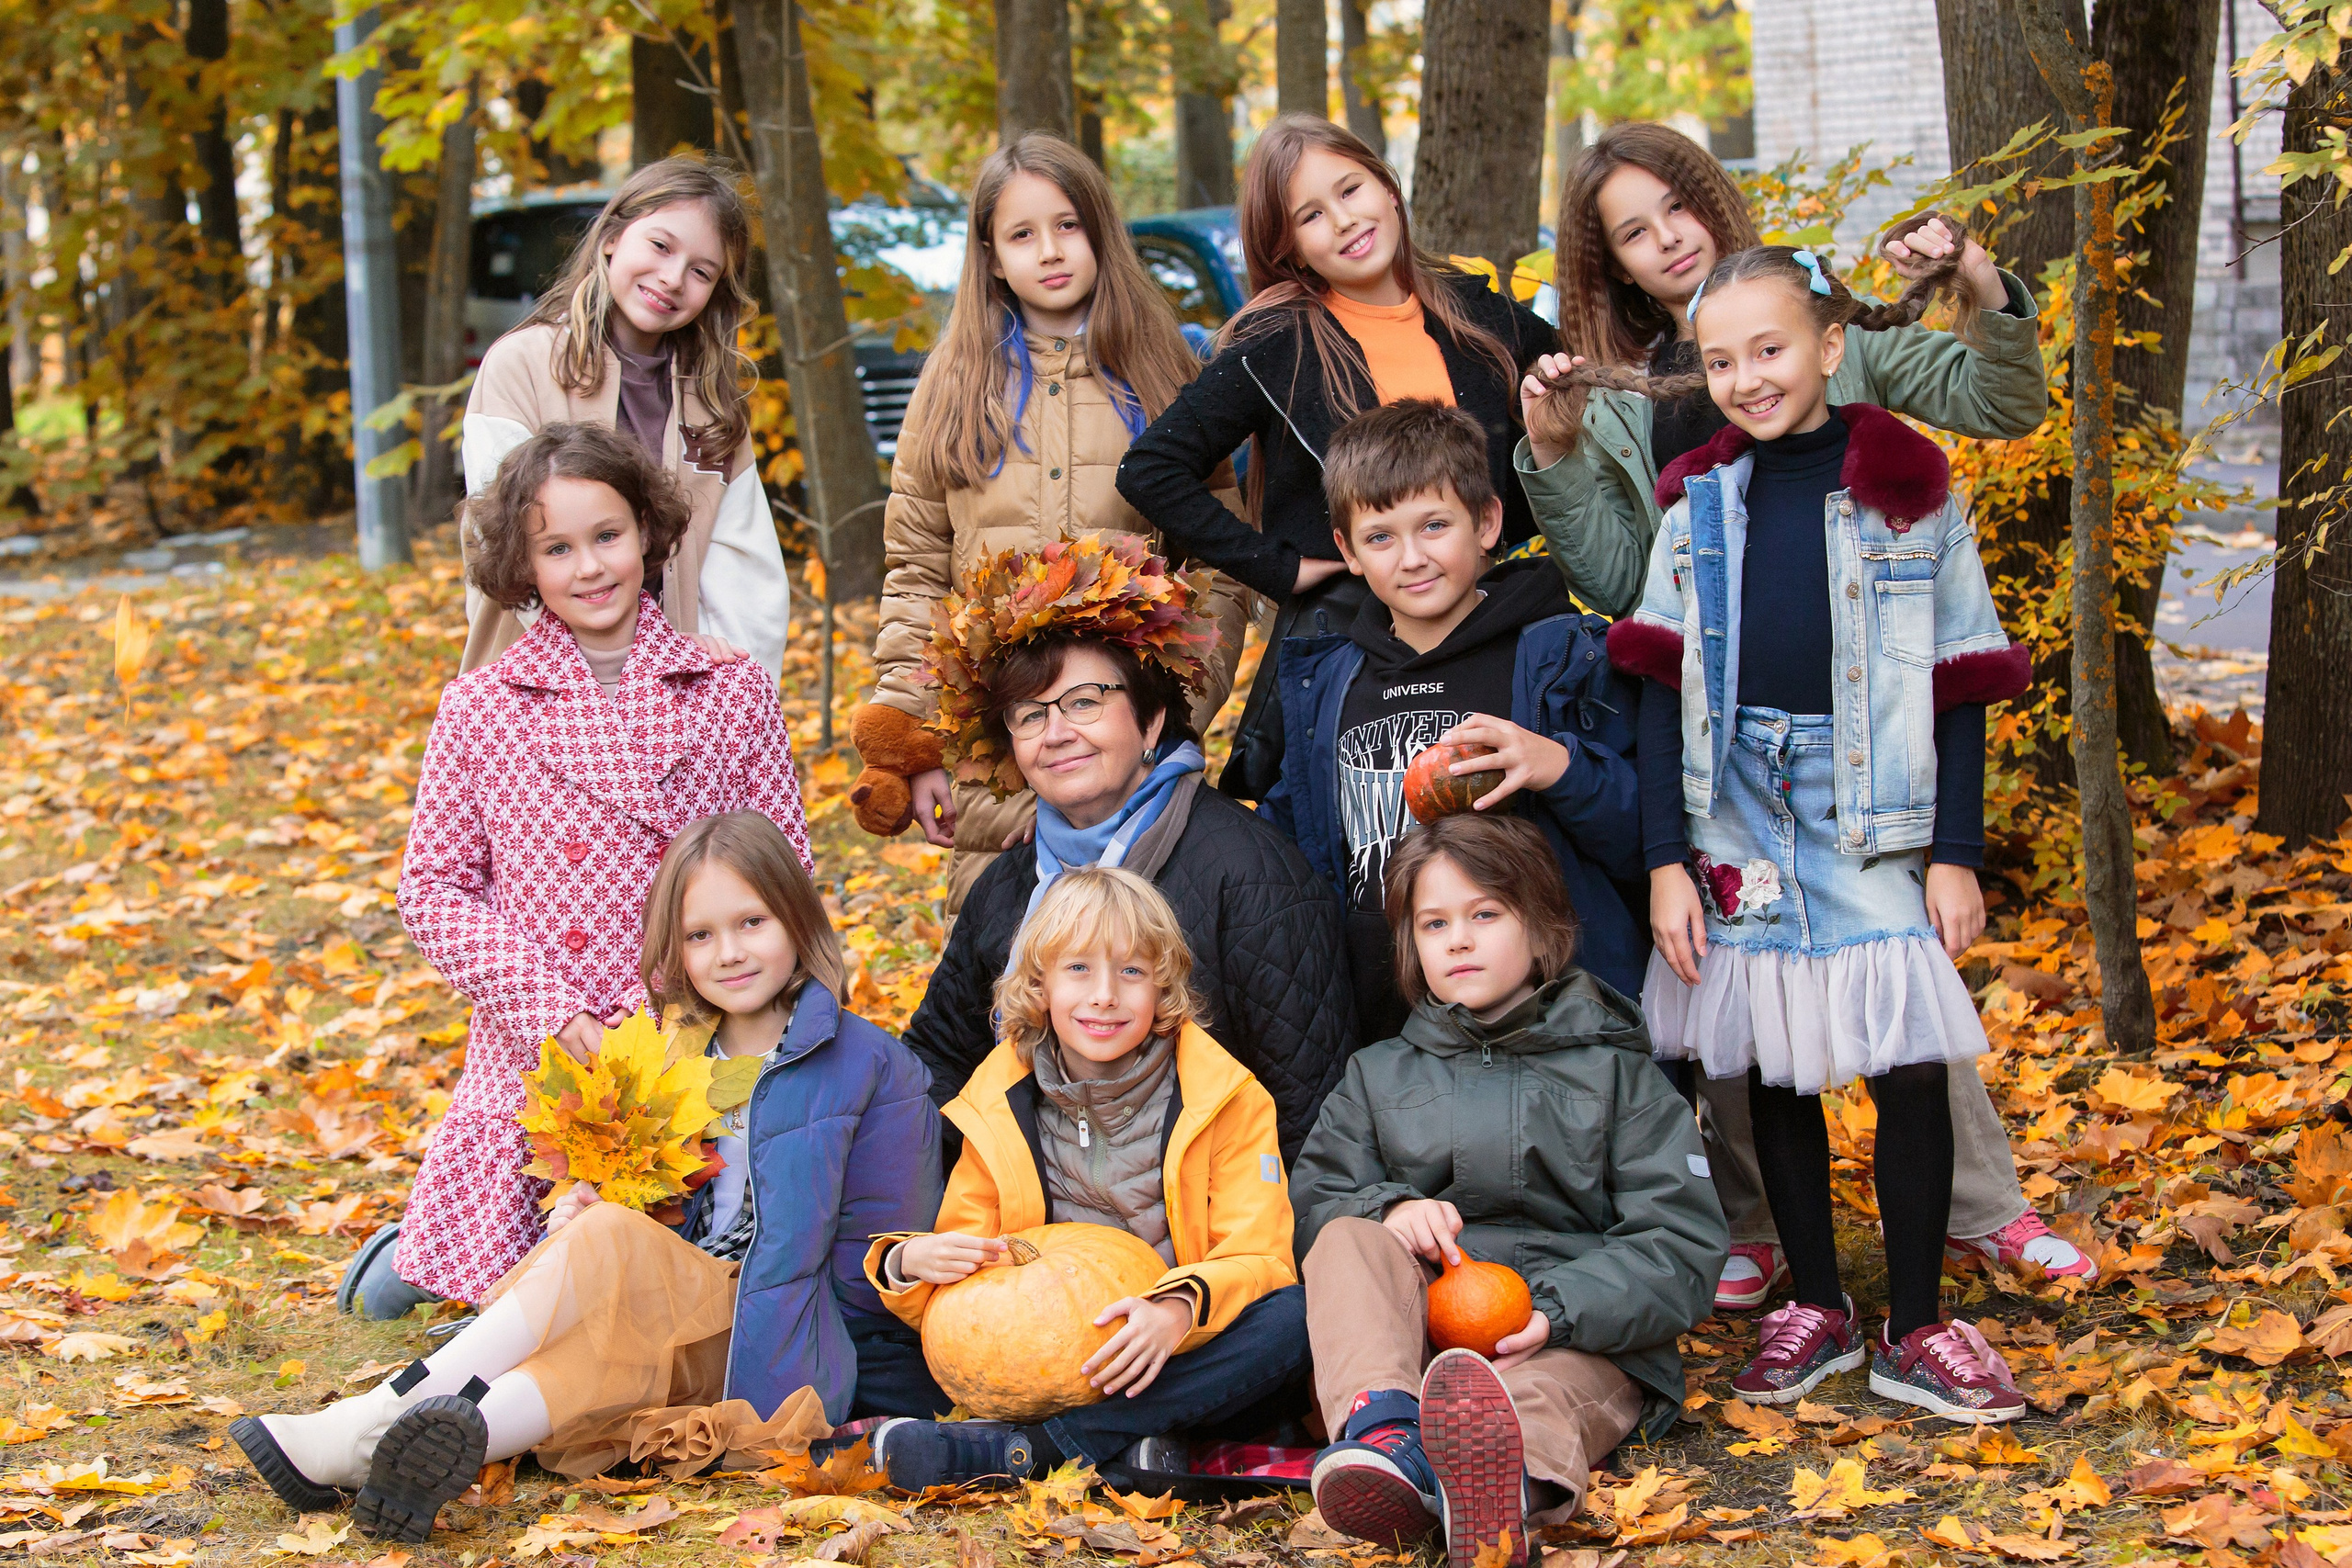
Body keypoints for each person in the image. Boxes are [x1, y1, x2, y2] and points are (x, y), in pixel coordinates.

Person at [1520, 122, 2091, 1308]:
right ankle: (1772, 1234)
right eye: (1632, 229)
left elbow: (2002, 392)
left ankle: (1978, 1205)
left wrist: (1981, 282)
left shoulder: (1820, 318)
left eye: (1675, 204)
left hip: (1863, 742)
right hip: (1735, 754)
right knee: (1742, 999)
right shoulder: (1632, 402)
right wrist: (1561, 459)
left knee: (1901, 990)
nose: (1665, 235)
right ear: (1612, 264)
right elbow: (1630, 586)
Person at [234, 813, 933, 1541]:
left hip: (779, 1338)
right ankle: (409, 1442)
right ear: (676, 948)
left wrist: (643, 1258)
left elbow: (877, 1265)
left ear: (796, 917)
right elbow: (656, 1207)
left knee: (609, 1270)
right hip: (667, 1304)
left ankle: (372, 1422)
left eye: (751, 921)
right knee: (595, 1276)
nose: (729, 952)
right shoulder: (666, 1052)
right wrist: (598, 1212)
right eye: (700, 935)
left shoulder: (874, 1067)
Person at [1601, 243, 2031, 1424]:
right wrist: (1663, 864)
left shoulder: (1907, 485)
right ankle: (1820, 1307)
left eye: (1771, 349)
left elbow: (1955, 674)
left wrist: (1954, 849)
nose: (1747, 376)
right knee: (1769, 1062)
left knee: (1904, 1061)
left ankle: (1919, 1325)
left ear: (1830, 348)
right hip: (1734, 804)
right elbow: (1654, 682)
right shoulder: (1696, 499)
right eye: (1721, 359)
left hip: (1870, 807)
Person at [379, 424, 814, 1322]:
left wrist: (747, 1000)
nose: (588, 567)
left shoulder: (728, 688)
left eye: (606, 536)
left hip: (698, 1040)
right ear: (522, 564)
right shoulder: (481, 709)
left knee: (692, 1303)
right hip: (546, 1046)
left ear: (649, 533)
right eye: (557, 548)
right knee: (545, 1300)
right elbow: (433, 889)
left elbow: (786, 869)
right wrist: (547, 1007)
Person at [1293, 815, 1724, 1567]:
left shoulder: (1617, 1074)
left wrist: (1555, 1311)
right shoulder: (1379, 1073)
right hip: (1423, 1330)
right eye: (1435, 923)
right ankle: (1388, 1438)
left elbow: (1678, 1241)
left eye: (1484, 914)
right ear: (1412, 944)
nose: (1458, 939)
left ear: (1541, 926)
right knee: (1346, 1237)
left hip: (1580, 1335)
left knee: (1532, 1397)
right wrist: (1390, 1208)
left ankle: (1497, 1493)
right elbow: (1317, 1199)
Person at [848, 133, 1253, 913]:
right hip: (996, 761)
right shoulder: (956, 380)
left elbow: (1218, 561)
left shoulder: (1161, 366)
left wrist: (1169, 719)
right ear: (993, 256)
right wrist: (914, 740)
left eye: (1067, 225)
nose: (1050, 251)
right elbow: (917, 571)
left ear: (1099, 230)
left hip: (1137, 759)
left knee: (1141, 976)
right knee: (1008, 987)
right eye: (1023, 234)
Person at [1115, 115, 1555, 802]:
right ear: (1289, 246)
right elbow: (1149, 469)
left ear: (1387, 186)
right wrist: (1282, 568)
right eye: (1312, 216)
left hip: (1489, 635)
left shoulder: (1482, 315)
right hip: (1352, 651)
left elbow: (1567, 399)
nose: (1345, 220)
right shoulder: (1278, 346)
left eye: (1351, 190)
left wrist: (1558, 390)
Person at [899, 535, 1354, 1160]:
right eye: (1030, 715)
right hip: (1026, 1223)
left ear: (1150, 720)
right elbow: (938, 1060)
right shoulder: (1012, 881)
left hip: (1207, 1226)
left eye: (1084, 702)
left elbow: (1309, 1113)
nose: (1056, 733)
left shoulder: (1251, 874)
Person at [861, 865, 1308, 1491]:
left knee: (1293, 1317)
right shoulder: (999, 1099)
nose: (1104, 995)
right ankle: (1130, 1441)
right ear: (1040, 984)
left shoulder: (1225, 1097)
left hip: (1174, 1350)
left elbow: (1260, 1255)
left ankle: (1030, 1450)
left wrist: (1181, 1306)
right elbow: (962, 1288)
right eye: (1078, 969)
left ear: (1163, 986)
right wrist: (912, 1262)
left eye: (1131, 971)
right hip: (1037, 1355)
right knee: (865, 1332)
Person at [1264, 400, 1642, 1043]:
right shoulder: (1327, 683)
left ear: (1487, 520)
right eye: (1380, 537)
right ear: (1347, 550)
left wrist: (1557, 766)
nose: (1410, 558)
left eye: (1434, 525)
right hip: (1384, 1031)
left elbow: (1642, 837)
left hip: (1550, 1029)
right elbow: (1291, 841)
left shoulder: (1558, 657)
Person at [458, 155, 791, 680]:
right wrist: (610, 672)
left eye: (701, 271)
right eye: (660, 246)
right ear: (612, 235)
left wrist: (731, 685)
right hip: (536, 695)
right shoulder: (522, 365)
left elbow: (746, 577)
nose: (673, 278)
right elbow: (500, 541)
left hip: (670, 700)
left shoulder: (712, 407)